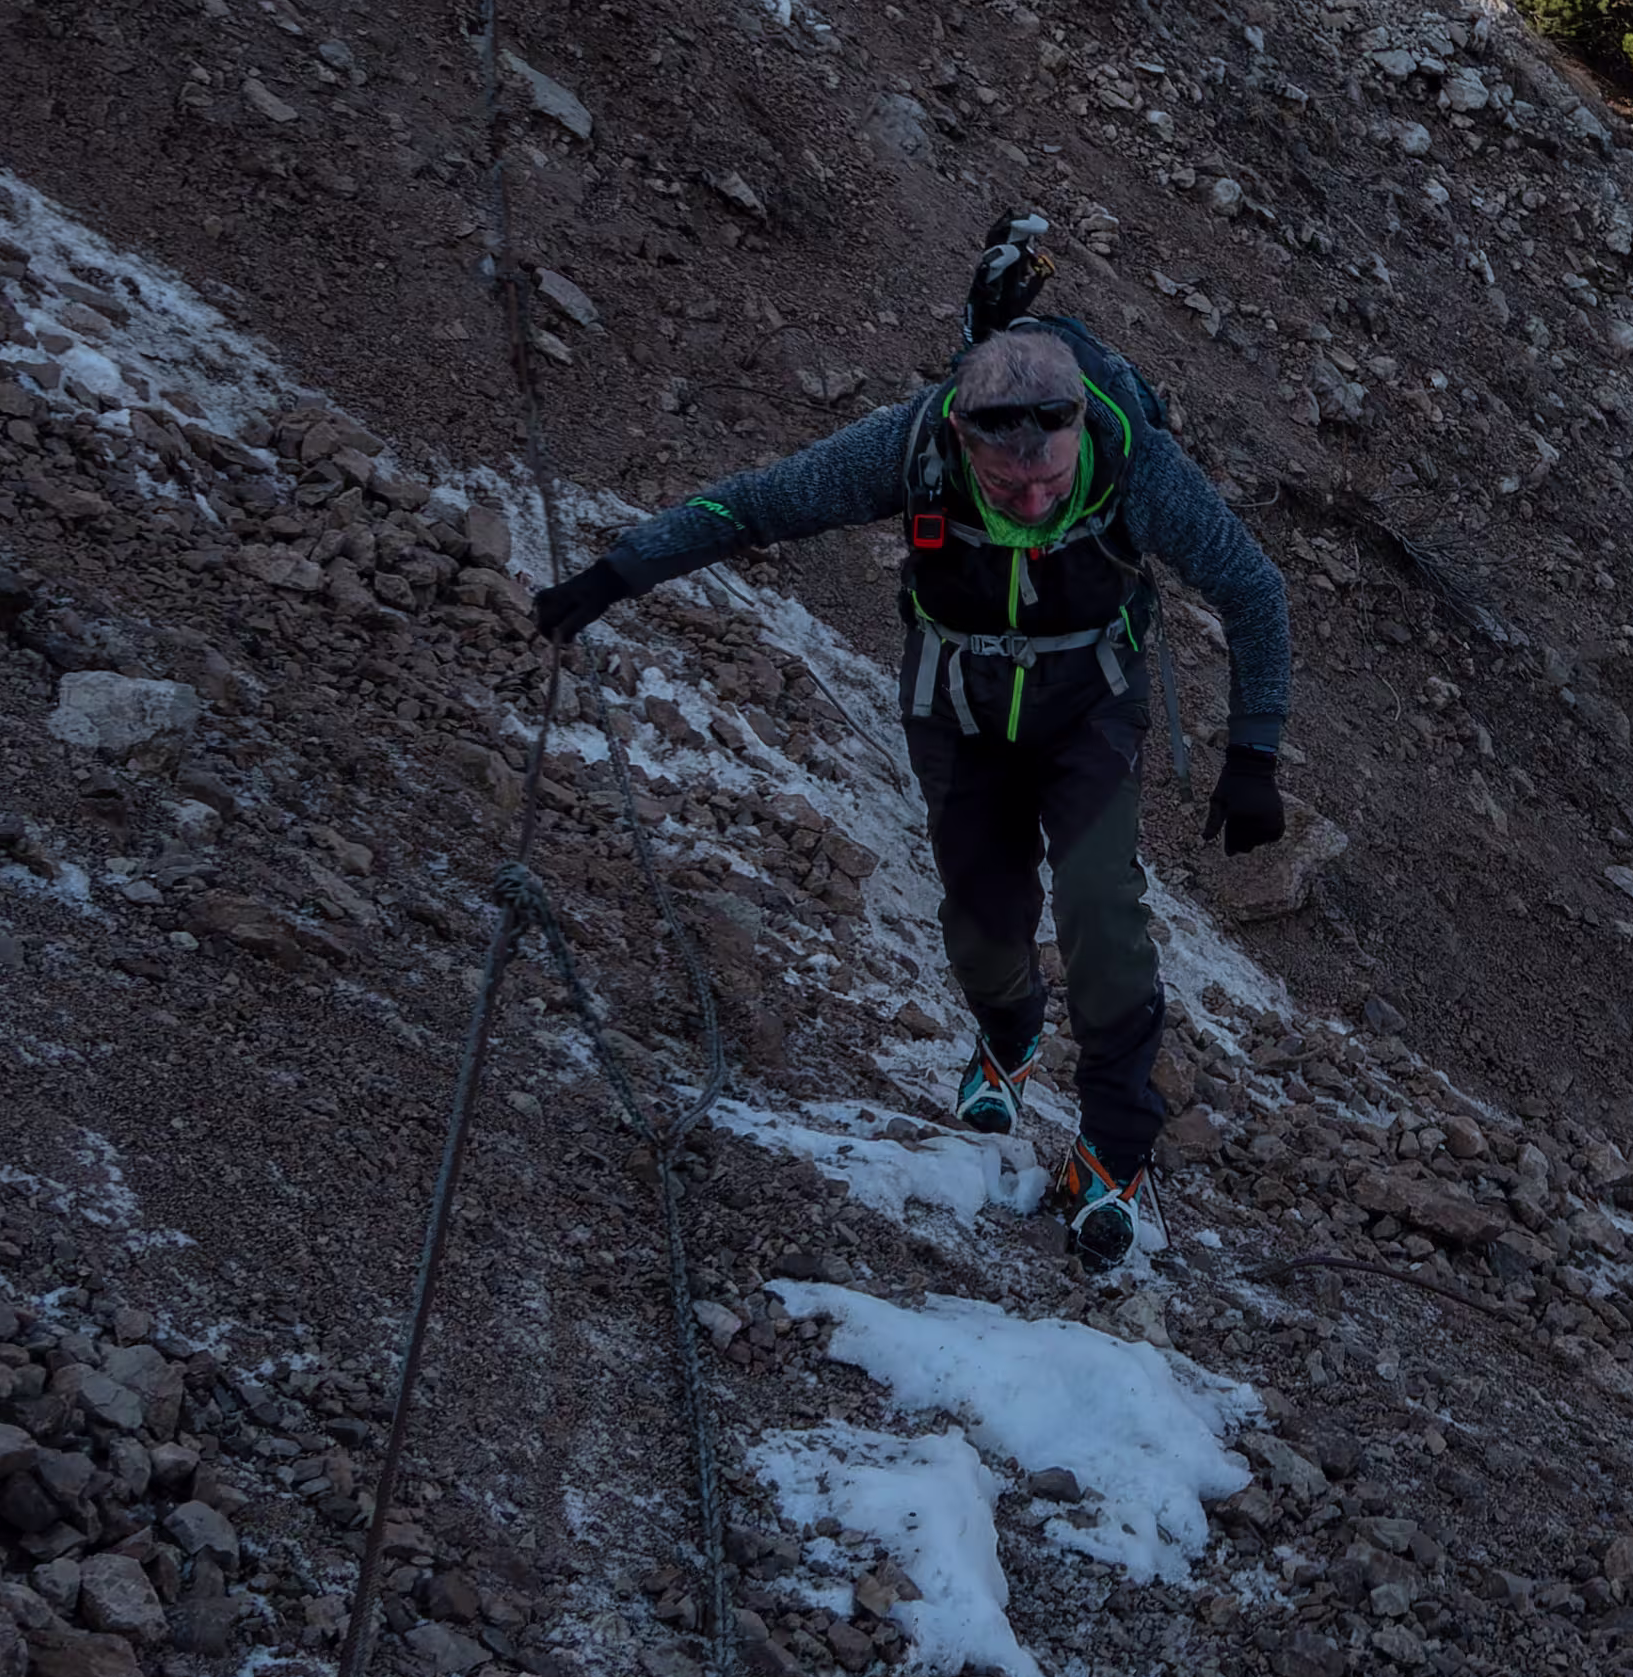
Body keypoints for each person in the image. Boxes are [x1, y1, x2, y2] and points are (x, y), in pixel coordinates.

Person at [530, 307, 1291, 1270]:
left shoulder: (1134, 461)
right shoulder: (910, 445)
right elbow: (759, 504)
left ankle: (1113, 1149)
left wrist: (1254, 754)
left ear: (1077, 437)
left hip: (1089, 706)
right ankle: (1008, 1032)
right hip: (956, 708)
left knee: (1103, 906)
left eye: (1050, 481)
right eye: (1006, 483)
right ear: (964, 441)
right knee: (980, 915)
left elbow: (1255, 591)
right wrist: (619, 573)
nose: (1029, 501)